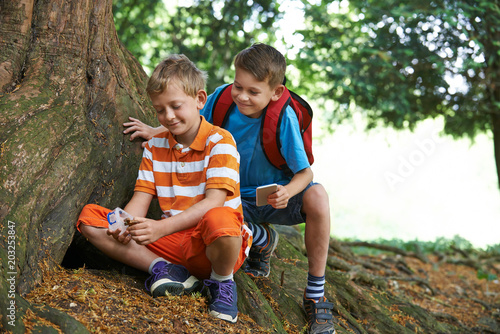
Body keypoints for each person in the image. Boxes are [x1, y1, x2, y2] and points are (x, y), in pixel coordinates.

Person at [124, 44, 335, 334]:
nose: (242, 96)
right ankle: (258, 237)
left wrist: (287, 191)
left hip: (272, 197)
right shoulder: (222, 99)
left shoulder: (282, 117)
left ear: (274, 92)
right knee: (218, 217)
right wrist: (155, 131)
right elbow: (190, 119)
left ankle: (315, 292)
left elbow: (305, 172)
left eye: (252, 91)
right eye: (238, 86)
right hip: (230, 198)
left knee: (318, 196)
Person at [77, 54, 252, 324]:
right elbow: (141, 198)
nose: (168, 116)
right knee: (92, 218)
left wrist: (159, 228)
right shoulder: (155, 146)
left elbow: (214, 202)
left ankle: (222, 283)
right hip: (171, 243)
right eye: (160, 110)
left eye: (175, 106)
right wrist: (126, 224)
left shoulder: (220, 141)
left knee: (221, 219)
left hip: (214, 247)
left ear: (200, 100)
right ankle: (165, 269)